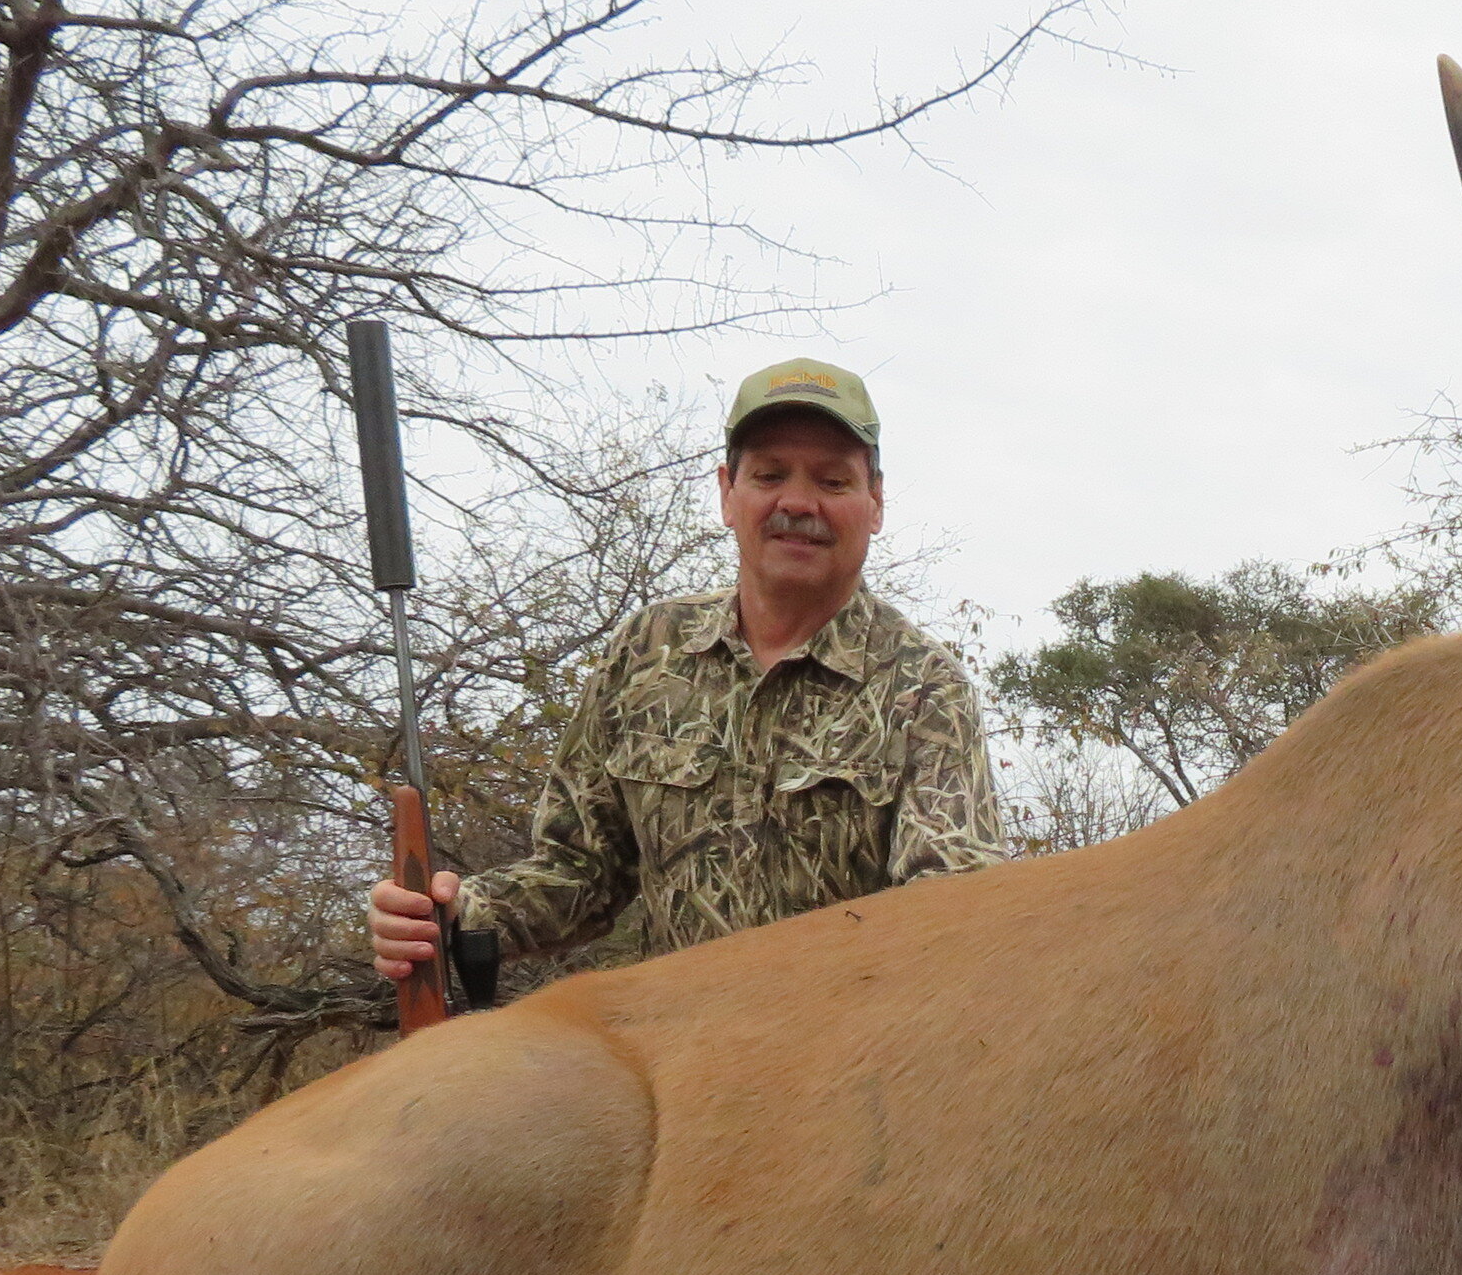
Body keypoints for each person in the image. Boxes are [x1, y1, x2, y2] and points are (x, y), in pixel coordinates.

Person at [368, 358, 1005, 989]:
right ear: (728, 492)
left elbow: (951, 913)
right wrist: (448, 916)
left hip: (853, 1066)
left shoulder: (926, 686)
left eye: (834, 482)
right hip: (672, 1064)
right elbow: (579, 874)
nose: (797, 502)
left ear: (875, 503)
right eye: (769, 475)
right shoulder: (646, 651)